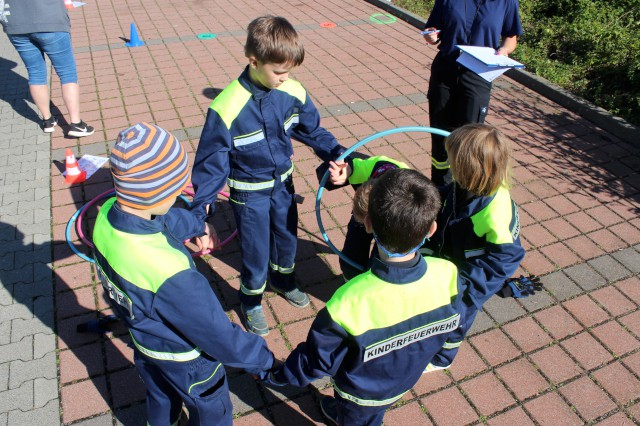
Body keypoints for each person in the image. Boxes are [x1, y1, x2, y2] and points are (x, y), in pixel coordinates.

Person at [92, 122, 276, 426]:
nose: (180, 191)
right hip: (189, 362)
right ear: (158, 192)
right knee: (213, 410)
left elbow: (159, 221)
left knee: (161, 395)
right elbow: (217, 334)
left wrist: (197, 224)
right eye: (176, 186)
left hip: (146, 346)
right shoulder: (170, 273)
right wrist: (263, 359)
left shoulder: (107, 215)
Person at [266, 168, 461, 425]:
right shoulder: (447, 273)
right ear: (432, 229)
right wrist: (444, 354)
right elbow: (456, 323)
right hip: (404, 379)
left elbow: (317, 359)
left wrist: (279, 376)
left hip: (360, 395)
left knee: (361, 419)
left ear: (367, 224)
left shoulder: (349, 300)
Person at [191, 16, 346, 336]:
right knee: (256, 249)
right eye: (278, 71)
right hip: (249, 193)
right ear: (254, 60)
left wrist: (337, 155)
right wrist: (200, 210)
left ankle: (285, 280)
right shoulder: (227, 106)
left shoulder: (293, 90)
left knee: (287, 238)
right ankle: (250, 300)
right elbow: (211, 162)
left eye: (289, 71)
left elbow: (311, 130)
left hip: (283, 185)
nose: (285, 78)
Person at [420, 123, 525, 371]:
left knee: (458, 315)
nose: (449, 164)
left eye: (453, 160)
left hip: (471, 276)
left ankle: (442, 358)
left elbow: (505, 259)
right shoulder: (467, 184)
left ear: (468, 169)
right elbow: (449, 194)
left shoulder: (495, 214)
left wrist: (466, 285)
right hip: (456, 252)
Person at [423, 0, 522, 186]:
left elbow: (511, 37)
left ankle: (465, 188)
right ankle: (439, 188)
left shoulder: (506, 2)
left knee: (471, 139)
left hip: (479, 75)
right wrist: (432, 36)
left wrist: (504, 50)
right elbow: (434, 29)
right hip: (445, 72)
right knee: (440, 136)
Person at [1, 0, 94, 136]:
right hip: (49, 19)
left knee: (35, 73)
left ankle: (47, 120)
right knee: (67, 73)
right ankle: (76, 124)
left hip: (15, 23)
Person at [322, 155, 408, 281]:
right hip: (370, 212)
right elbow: (353, 166)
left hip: (395, 222)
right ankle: (350, 279)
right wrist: (344, 171)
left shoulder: (410, 191)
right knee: (351, 257)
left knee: (382, 262)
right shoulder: (375, 166)